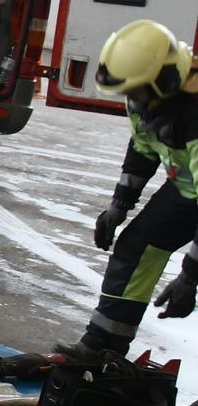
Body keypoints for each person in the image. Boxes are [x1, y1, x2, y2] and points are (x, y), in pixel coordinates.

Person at [59, 21, 198, 356]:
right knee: (136, 248)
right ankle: (102, 346)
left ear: (165, 78)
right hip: (188, 187)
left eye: (135, 92)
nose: (130, 100)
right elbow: (143, 149)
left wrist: (190, 276)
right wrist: (118, 206)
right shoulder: (148, 97)